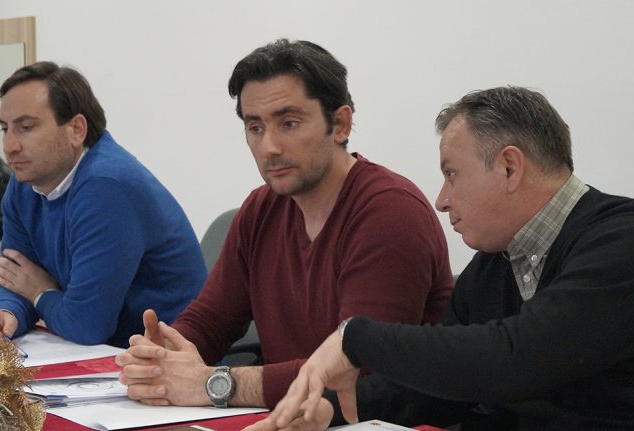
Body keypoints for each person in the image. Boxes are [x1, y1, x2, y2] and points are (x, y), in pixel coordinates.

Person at [257, 86, 634, 431]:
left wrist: (356, 337)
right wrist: (329, 410)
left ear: (509, 167)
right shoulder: (493, 264)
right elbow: (433, 390)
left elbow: (515, 359)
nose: (441, 201)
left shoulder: (621, 241)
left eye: (451, 174)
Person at [116, 39, 454, 409]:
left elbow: (357, 372)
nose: (269, 147)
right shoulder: (260, 208)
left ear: (340, 124)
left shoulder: (390, 213)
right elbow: (212, 320)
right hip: (290, 417)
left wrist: (216, 383)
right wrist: (162, 358)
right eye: (255, 127)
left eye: (289, 123)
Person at [0, 62, 207, 348]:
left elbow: (87, 325)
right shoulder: (25, 183)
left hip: (169, 359)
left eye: (26, 128)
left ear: (76, 130)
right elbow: (15, 277)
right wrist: (6, 312)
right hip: (108, 357)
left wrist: (40, 293)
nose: (10, 146)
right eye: (4, 129)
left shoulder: (107, 186)